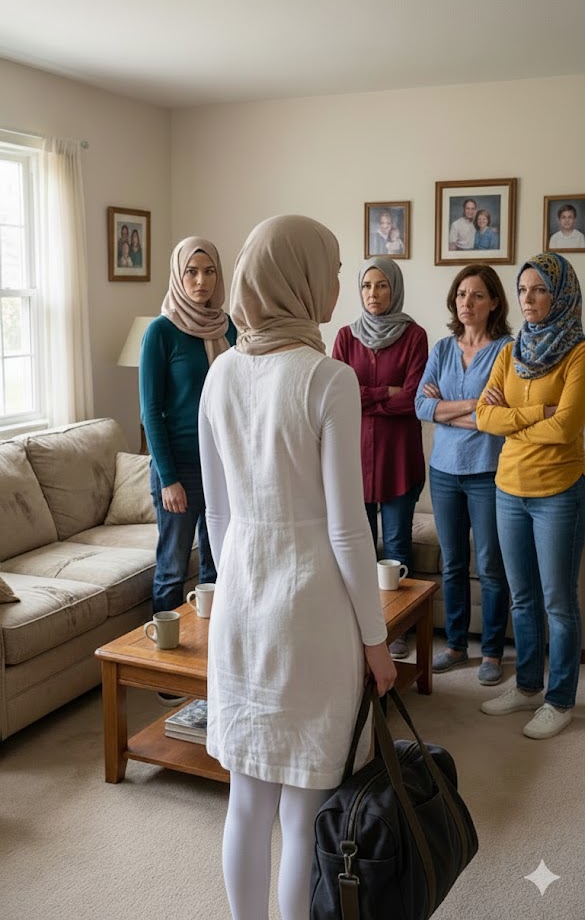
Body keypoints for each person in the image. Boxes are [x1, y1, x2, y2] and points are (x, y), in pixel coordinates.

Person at [199, 215, 396, 920]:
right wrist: (376, 640)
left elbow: (217, 514)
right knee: (303, 812)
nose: (339, 283)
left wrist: (237, 585)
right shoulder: (327, 377)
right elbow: (347, 528)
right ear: (300, 277)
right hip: (310, 612)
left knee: (246, 801)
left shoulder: (219, 372)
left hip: (240, 603)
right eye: (333, 269)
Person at [477, 252, 585, 738]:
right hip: (508, 489)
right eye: (522, 290)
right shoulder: (510, 350)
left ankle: (559, 700)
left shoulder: (578, 351)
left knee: (557, 602)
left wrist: (514, 420)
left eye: (539, 289)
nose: (528, 299)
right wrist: (538, 413)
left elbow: (566, 429)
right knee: (522, 598)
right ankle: (526, 687)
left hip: (558, 491)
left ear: (560, 295)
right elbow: (484, 417)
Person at [140, 237, 236, 703]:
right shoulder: (160, 332)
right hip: (178, 469)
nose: (201, 281)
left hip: (222, 466)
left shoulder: (228, 327)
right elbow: (150, 411)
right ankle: (166, 669)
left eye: (209, 271)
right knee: (173, 567)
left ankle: (209, 658)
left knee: (218, 564)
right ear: (179, 277)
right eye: (191, 272)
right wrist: (169, 478)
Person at [415, 264, 512, 685]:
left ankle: (491, 652)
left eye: (476, 295)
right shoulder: (441, 349)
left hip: (488, 471)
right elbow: (421, 406)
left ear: (494, 303)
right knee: (453, 563)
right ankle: (455, 646)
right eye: (461, 294)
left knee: (490, 565)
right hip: (443, 472)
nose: (466, 302)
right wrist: (475, 405)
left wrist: (447, 410)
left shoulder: (507, 350)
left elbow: (504, 414)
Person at [332, 257, 427, 658]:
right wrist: (384, 392)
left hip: (398, 460)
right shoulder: (345, 337)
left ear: (395, 289)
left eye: (382, 285)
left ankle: (398, 629)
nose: (373, 293)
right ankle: (363, 629)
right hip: (352, 461)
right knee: (358, 549)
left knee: (397, 547)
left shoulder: (414, 336)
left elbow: (413, 398)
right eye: (367, 286)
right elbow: (337, 396)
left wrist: (365, 397)